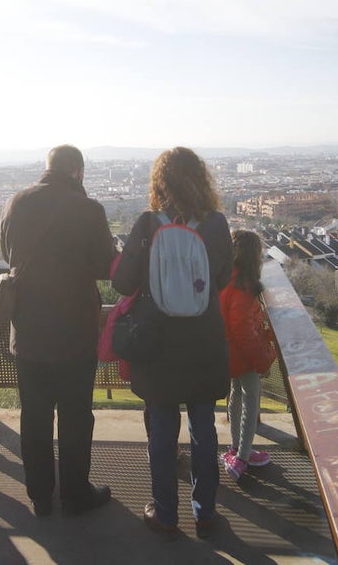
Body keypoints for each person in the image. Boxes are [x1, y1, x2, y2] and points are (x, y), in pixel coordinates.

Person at [111, 147, 232, 540]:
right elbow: (224, 278)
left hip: (158, 343)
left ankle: (165, 512)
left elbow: (122, 283)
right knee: (204, 428)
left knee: (161, 430)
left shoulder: (148, 225)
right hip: (203, 340)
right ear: (201, 178)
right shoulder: (215, 224)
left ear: (158, 182)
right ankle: (206, 512)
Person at [0, 145, 116, 517]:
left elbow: (8, 255)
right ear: (78, 172)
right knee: (76, 416)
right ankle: (75, 493)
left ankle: (39, 494)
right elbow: (104, 264)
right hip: (74, 330)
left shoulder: (16, 202)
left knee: (33, 416)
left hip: (29, 330)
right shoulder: (88, 209)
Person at [219, 230, 275, 480]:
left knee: (236, 397)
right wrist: (262, 359)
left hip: (227, 351)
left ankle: (236, 447)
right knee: (251, 401)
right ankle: (242, 456)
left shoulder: (225, 279)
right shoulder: (244, 287)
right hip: (242, 354)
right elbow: (242, 328)